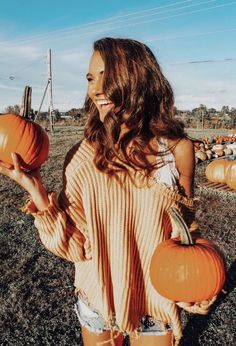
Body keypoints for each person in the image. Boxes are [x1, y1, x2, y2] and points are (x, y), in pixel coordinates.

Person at [0, 37, 216, 346]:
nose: (96, 89)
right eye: (91, 78)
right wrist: (35, 189)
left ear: (138, 80)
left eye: (107, 76)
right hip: (98, 300)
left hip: (157, 300)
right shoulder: (81, 157)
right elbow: (74, 247)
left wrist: (195, 284)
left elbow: (185, 225)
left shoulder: (177, 150)